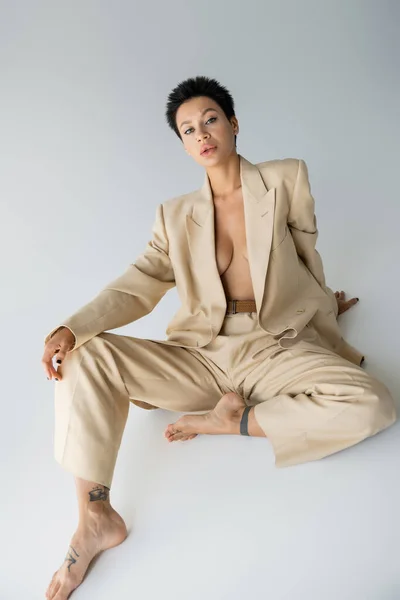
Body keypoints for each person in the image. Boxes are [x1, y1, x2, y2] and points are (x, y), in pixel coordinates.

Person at [42, 75, 396, 600]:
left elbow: (305, 256)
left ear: (232, 123)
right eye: (187, 129)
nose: (201, 134)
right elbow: (137, 285)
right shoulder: (175, 215)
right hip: (201, 354)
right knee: (84, 359)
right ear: (183, 144)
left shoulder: (285, 179)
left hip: (273, 345)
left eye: (209, 119)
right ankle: (95, 514)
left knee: (373, 400)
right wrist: (72, 327)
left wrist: (322, 307)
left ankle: (231, 423)